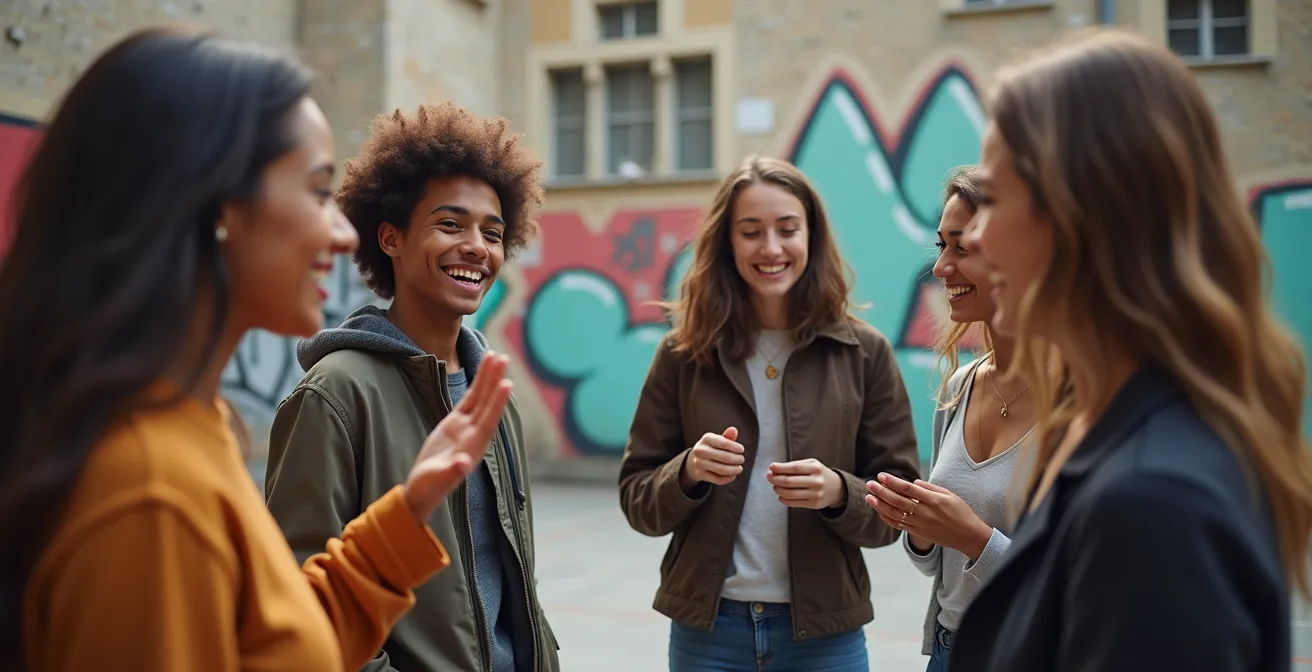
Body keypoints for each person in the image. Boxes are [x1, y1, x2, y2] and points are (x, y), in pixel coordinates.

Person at [0, 27, 516, 672]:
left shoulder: (195, 424)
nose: (337, 232)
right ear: (217, 206)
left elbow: (273, 647)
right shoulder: (152, 495)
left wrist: (411, 508)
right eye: (319, 191)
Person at [946, 28, 1312, 671]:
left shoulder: (1153, 502)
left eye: (995, 201)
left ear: (1084, 215)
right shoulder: (1113, 432)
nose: (973, 238)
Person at [263, 101, 559, 672]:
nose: (477, 246)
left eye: (492, 233)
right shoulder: (335, 394)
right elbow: (300, 598)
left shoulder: (491, 393)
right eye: (450, 225)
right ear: (391, 238)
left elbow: (513, 579)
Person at [618, 155, 921, 671]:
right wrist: (687, 472)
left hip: (825, 633)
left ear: (811, 237)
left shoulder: (863, 352)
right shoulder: (683, 353)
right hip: (708, 631)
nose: (772, 248)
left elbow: (900, 508)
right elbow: (637, 499)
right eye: (751, 231)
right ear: (727, 243)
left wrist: (838, 493)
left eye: (787, 229)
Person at [863, 166, 1036, 672]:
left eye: (961, 247)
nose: (940, 267)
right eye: (941, 246)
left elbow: (1078, 586)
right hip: (948, 649)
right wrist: (919, 526)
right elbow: (938, 569)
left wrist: (974, 538)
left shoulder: (1079, 402)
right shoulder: (960, 387)